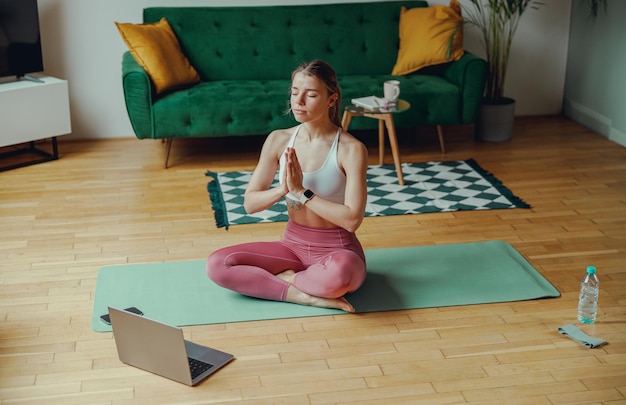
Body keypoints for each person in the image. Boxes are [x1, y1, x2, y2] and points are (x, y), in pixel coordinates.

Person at [206, 60, 369, 313]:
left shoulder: (351, 149)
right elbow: (250, 204)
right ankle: (305, 295)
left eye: (311, 94)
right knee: (218, 264)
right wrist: (284, 189)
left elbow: (351, 220)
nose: (299, 101)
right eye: (294, 92)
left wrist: (302, 192)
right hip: (292, 245)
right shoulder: (278, 140)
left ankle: (288, 279)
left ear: (331, 99)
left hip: (337, 250)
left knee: (340, 275)